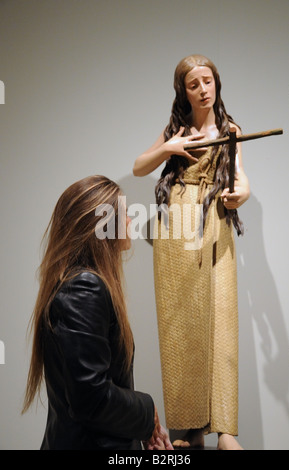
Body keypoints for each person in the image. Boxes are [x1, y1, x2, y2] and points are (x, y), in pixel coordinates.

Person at [133, 54, 250, 450]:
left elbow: (240, 176)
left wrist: (243, 193)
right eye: (193, 84)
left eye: (207, 81)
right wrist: (170, 146)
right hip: (177, 227)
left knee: (221, 319)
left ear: (217, 83)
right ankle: (190, 428)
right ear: (182, 91)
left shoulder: (228, 129)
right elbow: (138, 166)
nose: (203, 89)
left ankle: (225, 428)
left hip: (214, 222)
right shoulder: (176, 130)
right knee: (181, 323)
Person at [22, 175, 172, 451]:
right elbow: (92, 398)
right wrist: (146, 411)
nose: (130, 221)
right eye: (125, 214)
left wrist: (140, 425)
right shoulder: (84, 287)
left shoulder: (78, 285)